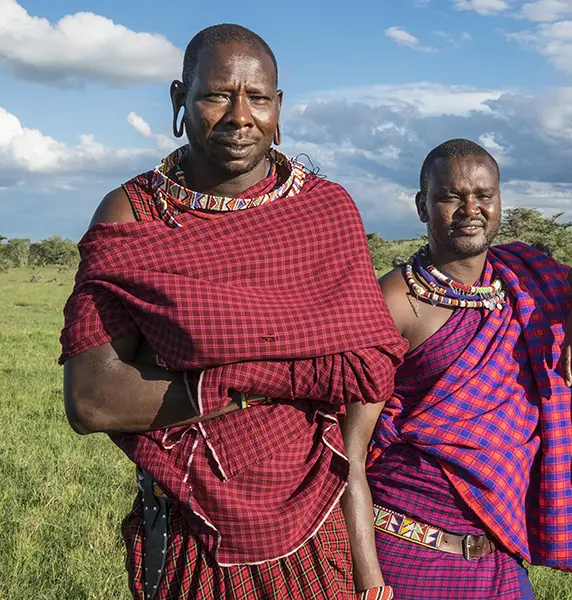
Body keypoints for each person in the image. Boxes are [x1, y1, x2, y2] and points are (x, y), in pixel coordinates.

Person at [60, 24, 407, 600]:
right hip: (191, 527)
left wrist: (204, 367)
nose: (240, 115)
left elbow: (367, 365)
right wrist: (266, 378)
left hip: (317, 518)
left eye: (259, 97)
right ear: (180, 99)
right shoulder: (134, 214)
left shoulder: (325, 211)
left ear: (279, 107)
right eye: (217, 94)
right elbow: (93, 399)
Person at [339, 138, 572, 599]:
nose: (471, 209)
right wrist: (369, 581)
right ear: (423, 206)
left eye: (484, 195)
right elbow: (349, 455)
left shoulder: (525, 276)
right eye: (451, 196)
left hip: (502, 557)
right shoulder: (395, 302)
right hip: (408, 550)